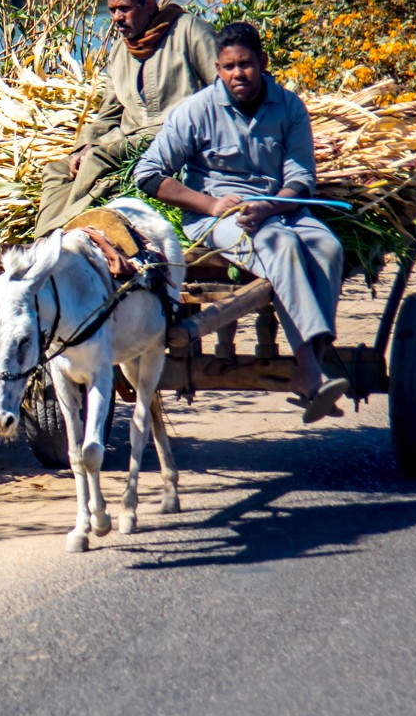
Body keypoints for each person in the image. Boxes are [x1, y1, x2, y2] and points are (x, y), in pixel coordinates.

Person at [132, 21, 349, 422]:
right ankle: (309, 371)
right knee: (280, 246)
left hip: (280, 208)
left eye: (246, 64)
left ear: (262, 62)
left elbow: (301, 177)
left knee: (328, 246)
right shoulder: (195, 111)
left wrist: (271, 206)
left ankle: (314, 362)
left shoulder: (288, 106)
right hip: (218, 219)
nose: (238, 74)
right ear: (217, 68)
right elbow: (147, 174)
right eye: (229, 67)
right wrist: (211, 204)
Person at [33, 0, 219, 236]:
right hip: (128, 140)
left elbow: (223, 89)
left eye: (124, 9)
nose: (117, 18)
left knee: (97, 160)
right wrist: (82, 147)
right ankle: (43, 234)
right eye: (112, 10)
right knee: (57, 170)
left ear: (149, 5)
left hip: (176, 135)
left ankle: (56, 232)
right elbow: (108, 113)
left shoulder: (189, 31)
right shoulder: (120, 51)